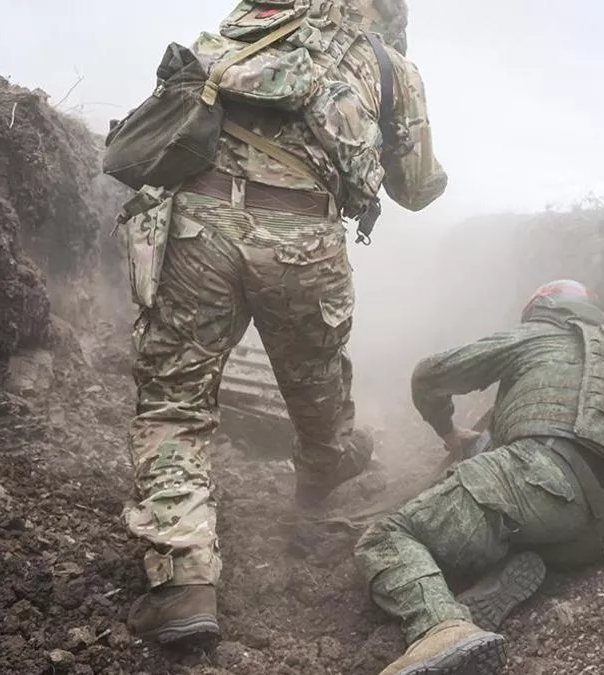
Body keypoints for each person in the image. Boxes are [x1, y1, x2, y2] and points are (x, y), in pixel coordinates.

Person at [124, 0, 447, 649]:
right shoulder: (389, 65)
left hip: (199, 224)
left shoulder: (252, 23)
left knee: (174, 403)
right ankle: (322, 471)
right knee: (316, 387)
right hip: (305, 237)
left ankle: (183, 581)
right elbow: (415, 188)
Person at [354, 280, 604, 675]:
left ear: (544, 308)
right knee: (498, 525)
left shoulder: (541, 334)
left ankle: (443, 628)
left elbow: (429, 375)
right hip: (601, 533)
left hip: (540, 477)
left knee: (388, 538)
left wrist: (449, 432)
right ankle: (495, 582)